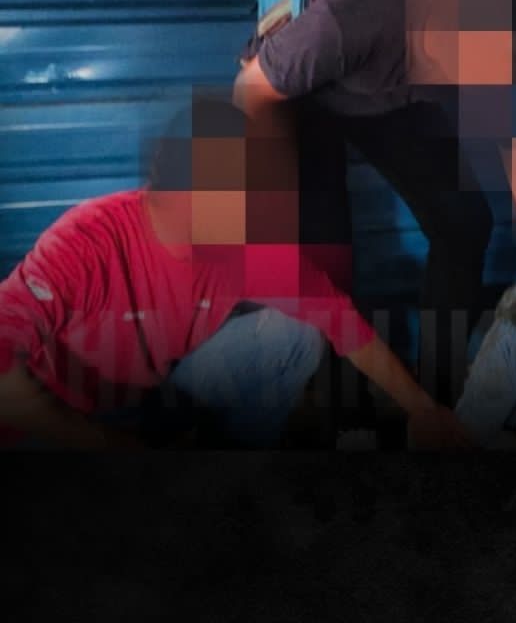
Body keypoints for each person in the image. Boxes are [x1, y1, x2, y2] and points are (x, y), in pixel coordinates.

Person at [233, 0, 516, 408]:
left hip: (377, 91)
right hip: (295, 97)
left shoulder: (492, 54)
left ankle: (440, 402)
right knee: (326, 264)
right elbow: (250, 91)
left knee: (463, 224)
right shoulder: (360, 10)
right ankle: (335, 414)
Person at [0, 96, 468, 450]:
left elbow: (339, 319)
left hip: (144, 403)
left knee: (295, 336)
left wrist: (423, 409)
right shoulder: (88, 240)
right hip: (51, 423)